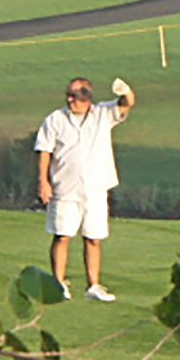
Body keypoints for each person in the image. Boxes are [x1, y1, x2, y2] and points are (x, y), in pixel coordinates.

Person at [34, 76, 134, 302]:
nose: (70, 100)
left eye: (75, 96)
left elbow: (127, 102)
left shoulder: (102, 114)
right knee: (62, 236)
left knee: (94, 238)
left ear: (87, 97)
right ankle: (58, 283)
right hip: (64, 189)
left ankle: (93, 286)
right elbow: (44, 151)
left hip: (96, 189)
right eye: (68, 95)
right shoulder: (55, 120)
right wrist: (43, 181)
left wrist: (124, 89)